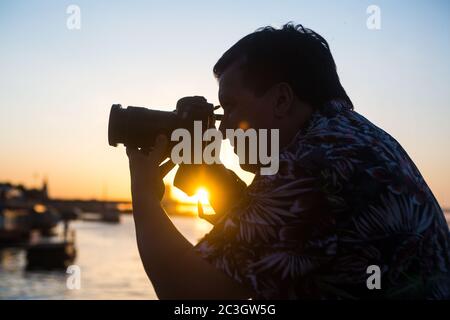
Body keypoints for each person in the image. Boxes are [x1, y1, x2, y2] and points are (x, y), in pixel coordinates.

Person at [126, 23, 450, 299]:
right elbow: (292, 235)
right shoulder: (353, 137)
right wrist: (216, 181)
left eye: (231, 106)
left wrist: (143, 190)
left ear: (282, 99)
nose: (223, 127)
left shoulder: (311, 165)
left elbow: (187, 291)